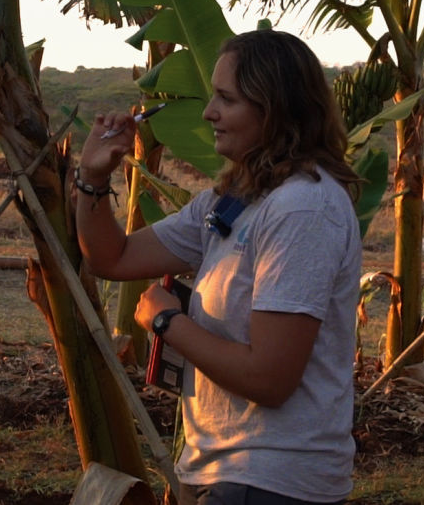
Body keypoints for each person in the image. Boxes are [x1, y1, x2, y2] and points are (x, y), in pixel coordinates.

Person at [76, 29, 363, 504]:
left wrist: (167, 321)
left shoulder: (303, 209)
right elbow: (113, 256)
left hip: (270, 477)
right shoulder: (236, 200)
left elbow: (269, 379)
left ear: (274, 110)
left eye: (226, 99)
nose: (209, 111)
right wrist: (92, 176)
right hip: (223, 469)